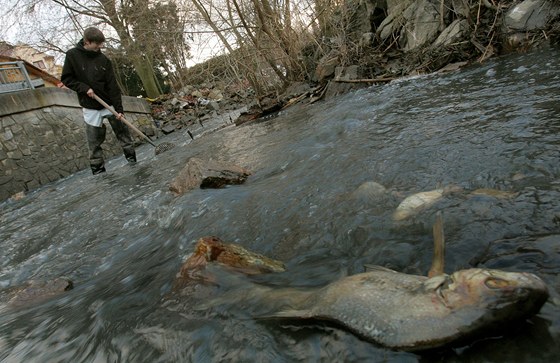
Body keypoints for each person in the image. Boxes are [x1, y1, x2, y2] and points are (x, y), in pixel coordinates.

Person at [61, 27, 136, 175]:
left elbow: (113, 86)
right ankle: (99, 173)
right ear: (87, 42)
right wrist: (83, 88)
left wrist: (119, 110)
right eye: (97, 45)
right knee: (94, 143)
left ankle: (134, 163)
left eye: (101, 45)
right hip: (90, 106)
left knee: (124, 136)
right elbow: (67, 79)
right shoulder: (72, 55)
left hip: (110, 104)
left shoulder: (104, 60)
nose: (100, 48)